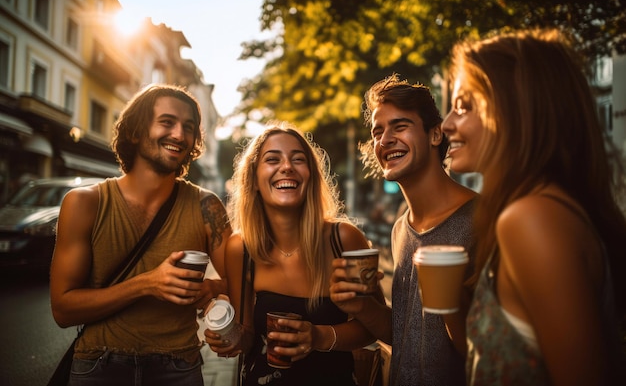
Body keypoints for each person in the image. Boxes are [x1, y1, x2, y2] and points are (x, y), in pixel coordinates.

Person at [441, 28, 626, 385]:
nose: (447, 123)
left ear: (515, 109)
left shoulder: (530, 218)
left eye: (463, 106)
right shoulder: (541, 208)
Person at [50, 84, 232, 386]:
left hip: (179, 365)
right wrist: (147, 284)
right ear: (135, 131)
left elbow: (243, 282)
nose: (179, 135)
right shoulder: (84, 203)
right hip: (98, 364)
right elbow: (63, 309)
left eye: (189, 127)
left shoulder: (205, 205)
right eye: (167, 122)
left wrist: (212, 290)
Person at [205, 121, 379, 385]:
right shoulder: (241, 247)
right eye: (272, 159)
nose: (287, 166)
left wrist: (318, 337)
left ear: (310, 177)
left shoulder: (343, 239)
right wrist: (229, 336)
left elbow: (374, 328)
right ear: (254, 180)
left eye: (298, 159)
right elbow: (247, 333)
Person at [330, 74, 477, 386]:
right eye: (378, 132)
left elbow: (494, 352)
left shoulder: (483, 222)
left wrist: (451, 298)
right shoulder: (400, 230)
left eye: (400, 126)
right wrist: (360, 306)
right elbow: (405, 336)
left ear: (436, 134)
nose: (384, 140)